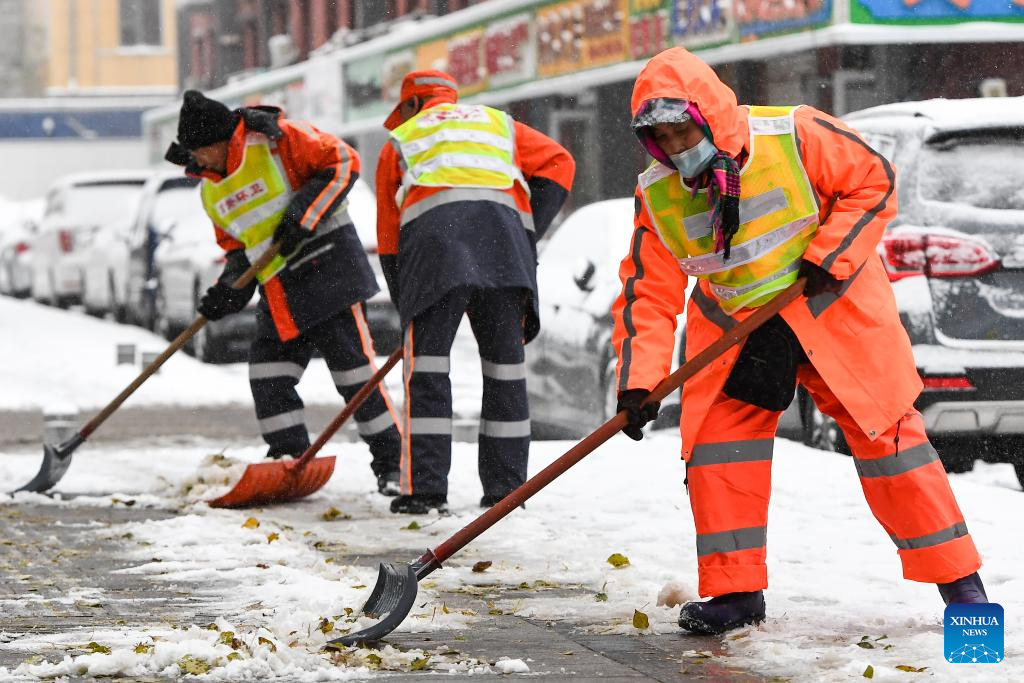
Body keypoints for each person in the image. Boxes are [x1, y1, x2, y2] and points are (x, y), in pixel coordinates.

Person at [612, 48, 986, 635]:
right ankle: (735, 593)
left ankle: (961, 586)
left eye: (683, 129)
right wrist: (638, 382)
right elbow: (647, 292)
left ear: (708, 115)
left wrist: (829, 255)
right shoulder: (657, 193)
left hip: (830, 306)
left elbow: (873, 182)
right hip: (739, 327)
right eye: (661, 136)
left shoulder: (795, 134)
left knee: (889, 441)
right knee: (717, 448)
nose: (677, 145)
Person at [164, 90, 402, 495]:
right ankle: (290, 462)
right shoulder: (210, 190)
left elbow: (343, 162)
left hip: (329, 276)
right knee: (269, 376)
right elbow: (240, 250)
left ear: (221, 141)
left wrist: (302, 214)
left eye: (201, 151)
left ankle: (394, 466)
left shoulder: (279, 139)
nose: (197, 161)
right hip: (280, 294)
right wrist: (227, 294)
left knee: (356, 378)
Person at [376, 70, 576, 514]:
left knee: (426, 373)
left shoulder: (402, 139)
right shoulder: (498, 125)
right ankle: (506, 491)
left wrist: (403, 299)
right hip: (504, 253)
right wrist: (527, 234)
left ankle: (424, 492)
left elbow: (389, 236)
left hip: (433, 256)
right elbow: (561, 163)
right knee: (506, 372)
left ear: (411, 105)